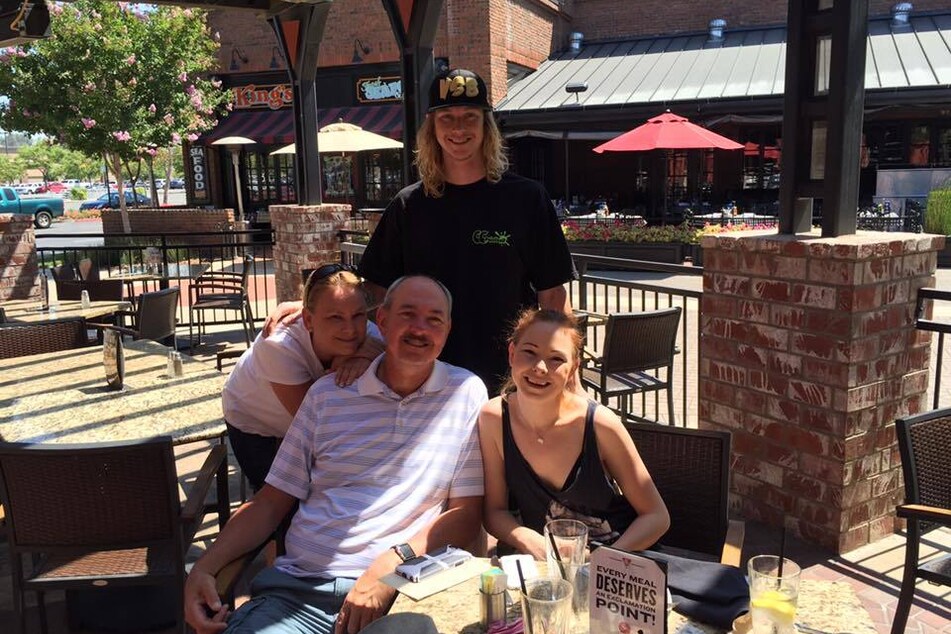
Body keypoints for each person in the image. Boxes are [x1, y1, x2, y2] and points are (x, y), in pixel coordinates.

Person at [185, 275, 487, 634]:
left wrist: (393, 563)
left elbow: (466, 514)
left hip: (402, 592)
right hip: (295, 596)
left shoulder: (465, 393)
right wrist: (204, 567)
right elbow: (270, 502)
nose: (419, 329)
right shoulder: (326, 395)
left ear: (447, 330)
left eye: (434, 319)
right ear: (384, 322)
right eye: (408, 314)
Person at [355, 68, 577, 395]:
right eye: (447, 117)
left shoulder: (526, 199)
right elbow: (374, 292)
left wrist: (569, 374)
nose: (458, 128)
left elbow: (553, 296)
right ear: (432, 128)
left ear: (486, 126)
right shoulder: (409, 205)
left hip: (511, 381)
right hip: (425, 381)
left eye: (470, 116)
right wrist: (329, 319)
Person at [478, 308, 669, 558]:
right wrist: (530, 540)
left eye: (556, 358)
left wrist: (602, 561)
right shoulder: (493, 418)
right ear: (512, 353)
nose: (540, 367)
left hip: (617, 561)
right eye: (529, 352)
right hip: (546, 566)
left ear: (573, 368)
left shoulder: (600, 424)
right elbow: (494, 511)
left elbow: (656, 517)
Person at [222, 264, 383, 491]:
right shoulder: (278, 345)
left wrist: (364, 356)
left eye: (358, 315)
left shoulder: (366, 333)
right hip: (254, 419)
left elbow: (395, 351)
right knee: (278, 500)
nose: (350, 330)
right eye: (335, 317)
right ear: (308, 320)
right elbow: (315, 426)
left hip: (307, 421)